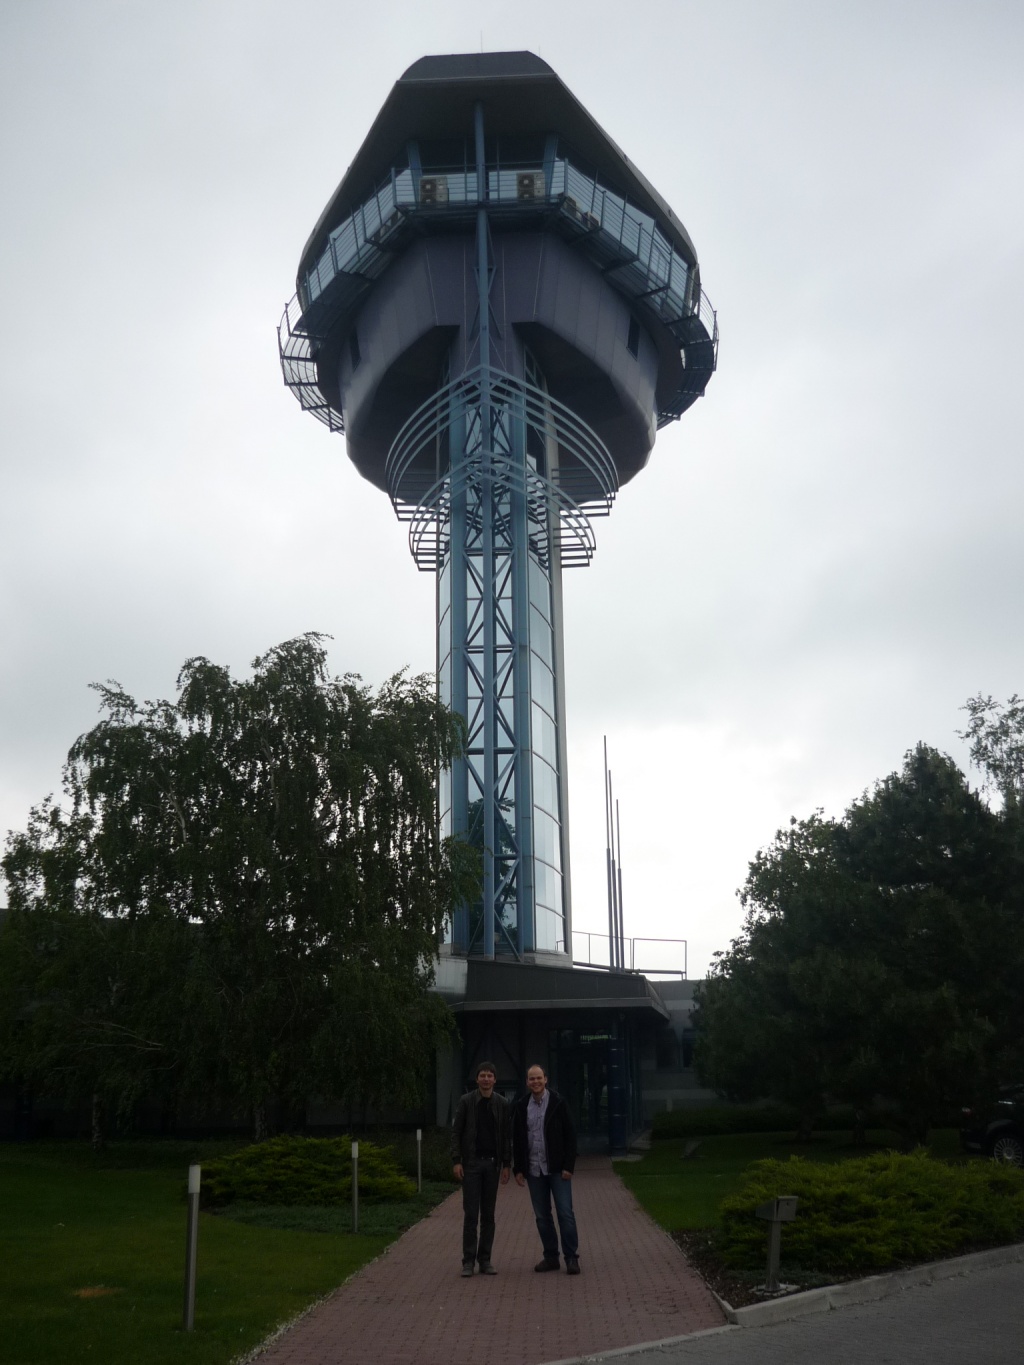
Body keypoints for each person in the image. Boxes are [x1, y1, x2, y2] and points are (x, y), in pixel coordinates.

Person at [512, 1063, 580, 1274]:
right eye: (532, 1078)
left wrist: (569, 1166)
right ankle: (551, 1257)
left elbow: (570, 1135)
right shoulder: (522, 1105)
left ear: (546, 1079)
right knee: (542, 1217)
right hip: (534, 1170)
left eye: (539, 1078)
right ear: (527, 1082)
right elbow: (518, 1138)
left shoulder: (558, 1102)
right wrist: (518, 1169)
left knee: (565, 1214)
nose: (536, 1082)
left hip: (558, 1170)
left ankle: (571, 1257)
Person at [451, 1060, 511, 1277]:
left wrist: (506, 1164)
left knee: (488, 1215)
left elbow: (506, 1135)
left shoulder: (502, 1103)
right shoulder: (466, 1101)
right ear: (477, 1079)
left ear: (495, 1079)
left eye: (489, 1075)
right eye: (482, 1075)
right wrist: (456, 1160)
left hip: (492, 1165)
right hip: (472, 1164)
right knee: (470, 1214)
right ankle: (468, 1261)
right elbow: (457, 1132)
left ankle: (485, 1259)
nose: (486, 1079)